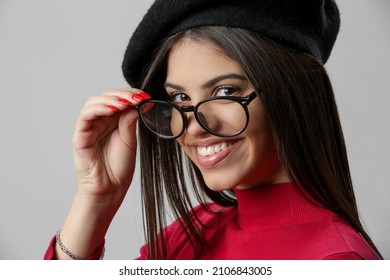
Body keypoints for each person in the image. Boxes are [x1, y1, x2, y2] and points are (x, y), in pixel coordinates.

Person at [44, 0, 383, 260]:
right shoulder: (193, 233)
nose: (193, 126)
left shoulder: (335, 260)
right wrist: (95, 199)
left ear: (296, 93)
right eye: (179, 97)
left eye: (225, 92)